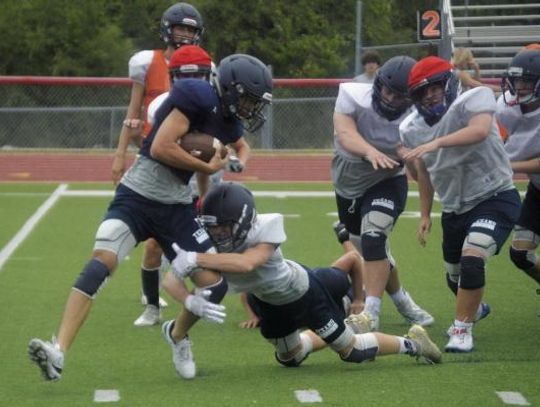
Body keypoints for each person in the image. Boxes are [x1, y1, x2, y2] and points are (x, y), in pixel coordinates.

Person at [27, 53, 273, 381]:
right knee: (103, 260)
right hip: (139, 193)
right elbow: (161, 148)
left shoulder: (228, 122)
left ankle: (177, 335)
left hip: (176, 205)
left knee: (213, 285)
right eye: (247, 99)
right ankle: (58, 350)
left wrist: (221, 178)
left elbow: (223, 154)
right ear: (229, 89)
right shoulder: (195, 96)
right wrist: (209, 166)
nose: (249, 108)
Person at [167, 182, 442, 372]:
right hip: (269, 303)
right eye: (214, 228)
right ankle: (346, 327)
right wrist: (188, 301)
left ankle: (413, 343)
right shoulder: (206, 243)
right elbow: (170, 280)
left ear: (244, 220)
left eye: (225, 228)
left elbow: (249, 263)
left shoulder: (267, 225)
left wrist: (195, 259)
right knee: (290, 358)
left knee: (352, 352)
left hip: (304, 293)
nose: (218, 235)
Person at [399, 56, 521, 353]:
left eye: (435, 87)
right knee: (455, 276)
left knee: (473, 256)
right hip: (454, 207)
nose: (430, 95)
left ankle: (462, 329)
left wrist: (437, 142)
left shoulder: (475, 98)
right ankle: (475, 309)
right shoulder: (412, 127)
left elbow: (479, 130)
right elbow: (426, 173)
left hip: (494, 194)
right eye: (422, 92)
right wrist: (425, 213)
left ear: (450, 82)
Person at [111, 3, 206, 327]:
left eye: (191, 30)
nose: (186, 35)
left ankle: (200, 300)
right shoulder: (147, 63)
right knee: (152, 244)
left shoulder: (203, 65)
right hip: (153, 160)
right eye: (181, 28)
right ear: (168, 29)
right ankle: (153, 306)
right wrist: (120, 153)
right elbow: (133, 112)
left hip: (188, 163)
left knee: (196, 235)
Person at [331, 55, 434, 334]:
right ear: (378, 85)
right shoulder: (353, 95)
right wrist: (370, 151)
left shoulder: (418, 118)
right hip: (349, 182)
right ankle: (402, 300)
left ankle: (370, 313)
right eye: (387, 90)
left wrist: (425, 211)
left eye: (399, 95)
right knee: (370, 247)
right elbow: (345, 134)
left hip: (388, 179)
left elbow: (419, 172)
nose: (390, 98)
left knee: (374, 236)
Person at [238, 243, 366, 329]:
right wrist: (253, 316)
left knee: (365, 287)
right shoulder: (260, 294)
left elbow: (353, 258)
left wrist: (358, 300)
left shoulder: (324, 281)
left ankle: (345, 239)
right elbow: (246, 291)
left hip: (341, 297)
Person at [496, 50, 540, 289]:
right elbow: (510, 139)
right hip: (538, 188)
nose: (520, 86)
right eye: (517, 80)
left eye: (527, 81)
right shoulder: (506, 107)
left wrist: (507, 165)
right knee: (521, 254)